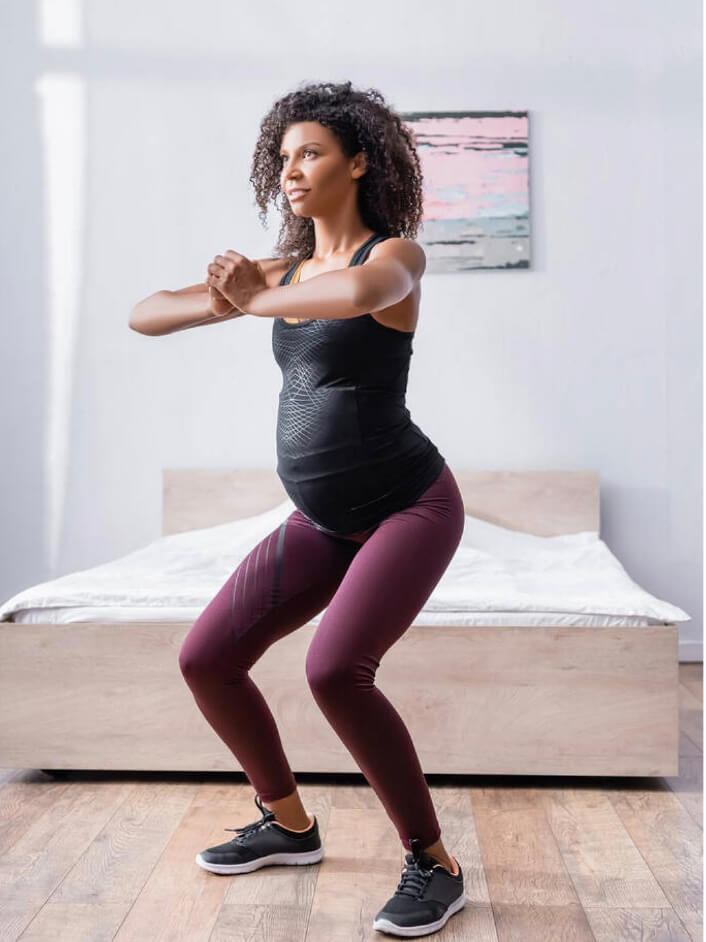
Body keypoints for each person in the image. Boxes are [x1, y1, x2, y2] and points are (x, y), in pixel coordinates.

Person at [130, 80, 466, 938]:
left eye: (309, 153)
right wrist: (224, 297)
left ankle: (433, 862)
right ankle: (287, 822)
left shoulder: (393, 259)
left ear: (358, 162)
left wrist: (251, 298)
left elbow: (352, 300)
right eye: (282, 158)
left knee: (333, 671)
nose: (291, 171)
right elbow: (144, 316)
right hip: (321, 518)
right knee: (207, 657)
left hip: (409, 506)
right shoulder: (276, 272)